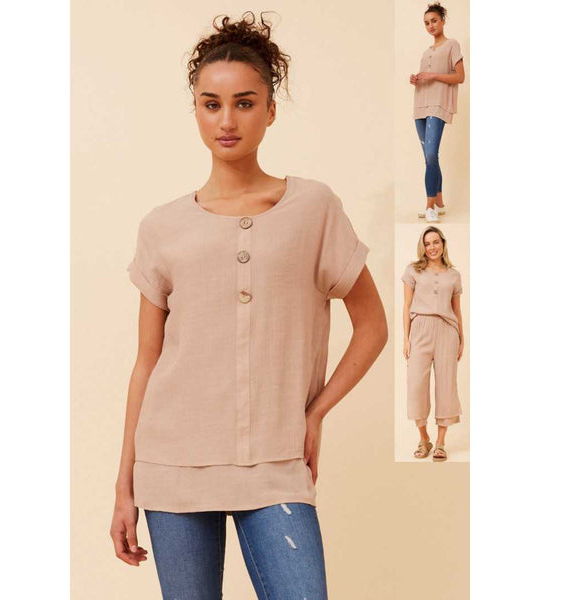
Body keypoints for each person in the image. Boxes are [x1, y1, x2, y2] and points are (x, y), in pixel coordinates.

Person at [109, 11, 388, 599]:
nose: (227, 120)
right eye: (211, 104)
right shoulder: (162, 226)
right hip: (171, 466)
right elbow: (147, 362)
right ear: (195, 110)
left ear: (271, 110)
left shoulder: (313, 208)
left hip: (276, 463)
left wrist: (315, 414)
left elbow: (372, 326)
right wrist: (123, 486)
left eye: (244, 103)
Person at [401, 226, 464, 462]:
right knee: (416, 385)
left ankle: (440, 443)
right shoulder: (413, 270)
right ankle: (424, 438)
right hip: (420, 329)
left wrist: (462, 338)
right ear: (423, 247)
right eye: (427, 243)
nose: (432, 247)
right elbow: (407, 305)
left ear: (443, 243)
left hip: (447, 331)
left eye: (436, 242)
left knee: (447, 386)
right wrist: (406, 338)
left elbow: (457, 310)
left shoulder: (453, 275)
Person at [409, 2, 465, 223]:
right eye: (426, 23)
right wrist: (416, 79)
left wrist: (432, 76)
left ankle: (429, 206)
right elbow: (427, 76)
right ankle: (439, 201)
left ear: (442, 21)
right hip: (420, 104)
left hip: (438, 105)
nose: (430, 25)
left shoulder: (452, 45)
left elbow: (460, 77)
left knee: (431, 155)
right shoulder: (426, 52)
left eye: (433, 21)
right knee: (429, 157)